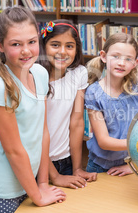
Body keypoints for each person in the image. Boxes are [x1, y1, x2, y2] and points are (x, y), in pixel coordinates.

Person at [0, 7, 66, 213]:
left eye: (31, 42)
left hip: (30, 184)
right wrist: (38, 195)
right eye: (16, 44)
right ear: (0, 45)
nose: (26, 50)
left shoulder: (40, 73)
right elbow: (14, 151)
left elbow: (43, 132)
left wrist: (42, 183)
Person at [38, 19, 97, 189]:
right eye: (55, 45)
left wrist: (77, 168)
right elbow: (35, 133)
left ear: (77, 49)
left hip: (66, 160)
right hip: (39, 163)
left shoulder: (79, 73)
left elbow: (77, 122)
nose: (63, 52)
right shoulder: (35, 77)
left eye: (69, 46)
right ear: (44, 46)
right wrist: (54, 176)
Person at [85, 33, 138, 176]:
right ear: (103, 56)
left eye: (128, 59)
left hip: (133, 164)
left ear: (135, 63)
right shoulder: (93, 93)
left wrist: (134, 164)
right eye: (116, 56)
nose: (121, 63)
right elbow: (103, 141)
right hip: (99, 167)